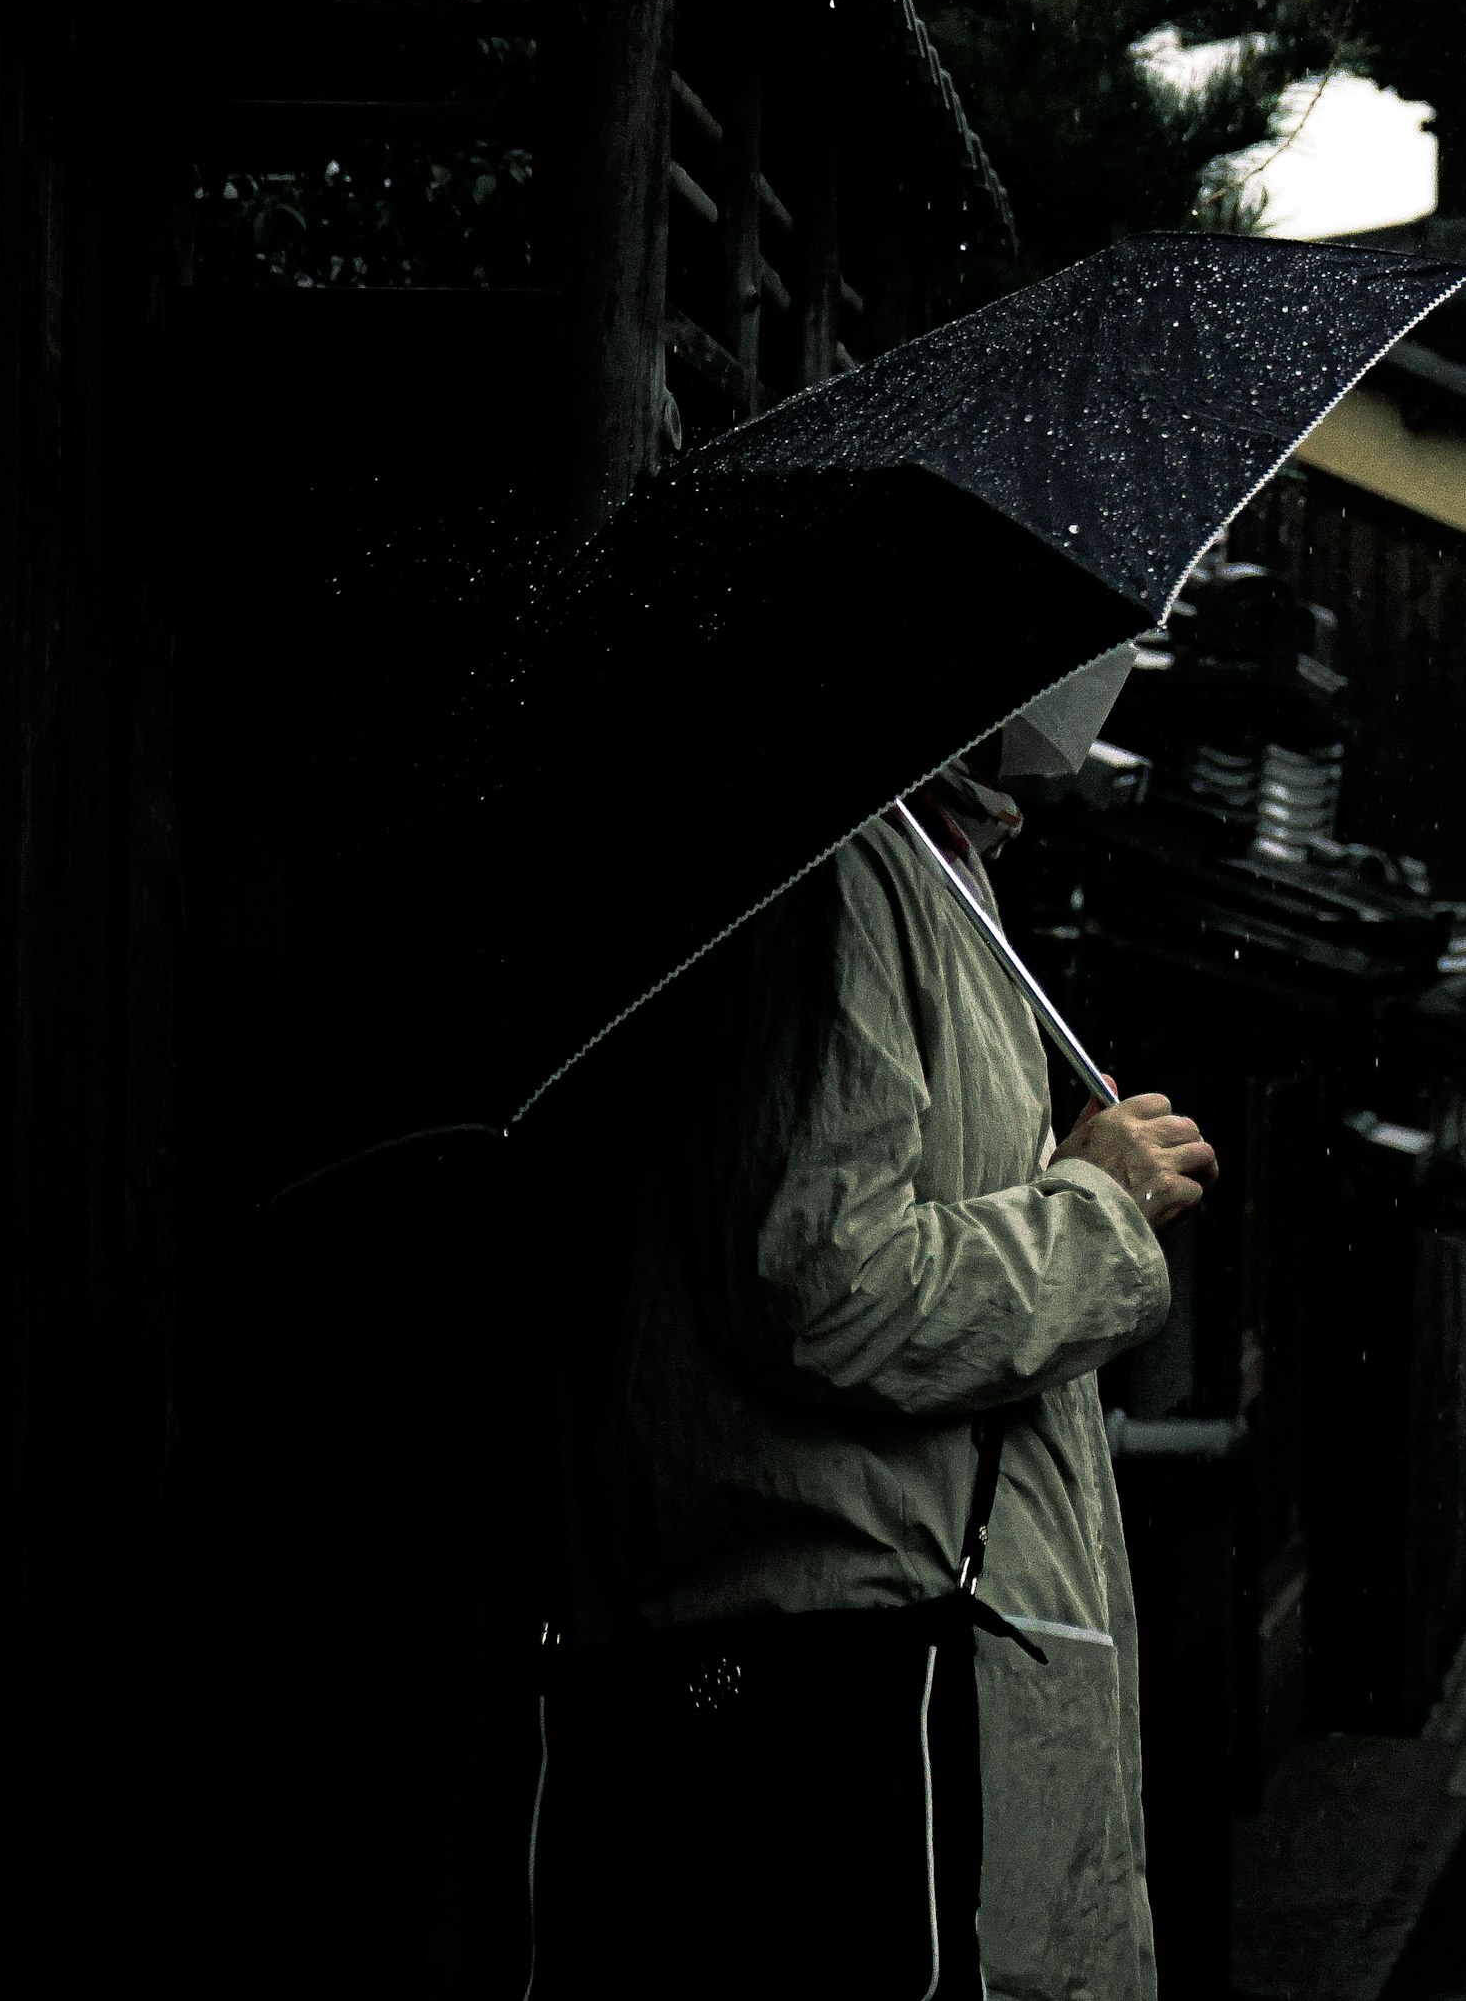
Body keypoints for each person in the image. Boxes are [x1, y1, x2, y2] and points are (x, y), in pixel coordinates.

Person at [542, 718, 1217, 2001]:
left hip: (898, 1653)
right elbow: (826, 1284)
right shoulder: (846, 870)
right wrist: (1094, 1210)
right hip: (848, 1683)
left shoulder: (942, 857)